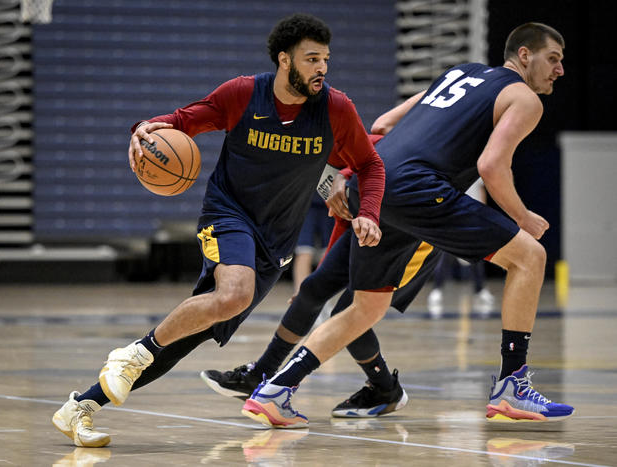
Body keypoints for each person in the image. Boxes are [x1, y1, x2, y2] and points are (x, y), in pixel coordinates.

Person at [51, 13, 386, 447]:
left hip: (275, 241)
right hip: (228, 215)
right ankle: (131, 354)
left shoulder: (336, 109)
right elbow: (180, 122)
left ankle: (81, 406)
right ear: (285, 61)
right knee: (233, 294)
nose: (322, 68)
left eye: (326, 59)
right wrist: (142, 130)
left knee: (189, 335)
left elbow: (370, 164)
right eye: (311, 59)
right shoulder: (244, 94)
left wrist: (369, 213)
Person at [241, 22, 574, 428]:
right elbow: (490, 165)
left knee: (365, 308)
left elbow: (382, 124)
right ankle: (511, 386)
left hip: (374, 184)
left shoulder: (460, 72)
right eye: (553, 59)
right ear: (524, 55)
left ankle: (276, 390)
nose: (559, 70)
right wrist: (523, 217)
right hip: (417, 189)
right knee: (530, 256)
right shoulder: (524, 98)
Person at [202, 138, 443, 419]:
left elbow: (382, 150)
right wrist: (325, 270)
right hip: (364, 224)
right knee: (312, 289)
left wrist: (347, 174)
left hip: (410, 229)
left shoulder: (337, 133)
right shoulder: (300, 155)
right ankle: (260, 373)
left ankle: (385, 388)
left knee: (349, 313)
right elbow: (344, 213)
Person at [427, 179, 495, 317]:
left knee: (477, 256)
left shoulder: (477, 169)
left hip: (473, 217)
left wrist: (483, 216)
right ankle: (436, 291)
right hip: (453, 217)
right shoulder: (452, 169)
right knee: (446, 255)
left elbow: (482, 191)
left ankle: (480, 290)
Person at [292, 193, 335, 294]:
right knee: (304, 250)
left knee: (329, 252)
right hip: (306, 200)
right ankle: (300, 294)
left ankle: (323, 297)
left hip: (331, 200)